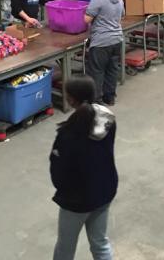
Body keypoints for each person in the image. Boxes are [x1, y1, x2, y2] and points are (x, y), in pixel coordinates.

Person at [50, 76, 117, 260]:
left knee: (65, 247)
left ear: (71, 99)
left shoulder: (68, 134)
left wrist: (64, 192)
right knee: (100, 242)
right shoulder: (108, 121)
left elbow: (58, 171)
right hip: (105, 190)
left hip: (76, 200)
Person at [84, 0, 124, 106]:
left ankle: (96, 100)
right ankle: (110, 97)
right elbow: (121, 16)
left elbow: (86, 19)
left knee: (97, 71)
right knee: (112, 70)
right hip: (117, 40)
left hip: (101, 42)